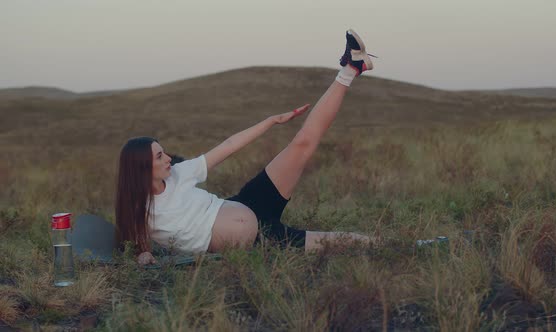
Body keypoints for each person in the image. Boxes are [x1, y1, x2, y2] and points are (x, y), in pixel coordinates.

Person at [115, 29, 376, 265]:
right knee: (339, 241)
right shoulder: (143, 212)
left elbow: (229, 145)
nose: (168, 158)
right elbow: (138, 247)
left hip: (249, 202)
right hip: (260, 241)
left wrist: (271, 121)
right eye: (160, 156)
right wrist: (143, 255)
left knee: (302, 143)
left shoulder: (180, 174)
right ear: (141, 168)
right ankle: (408, 246)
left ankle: (351, 68)